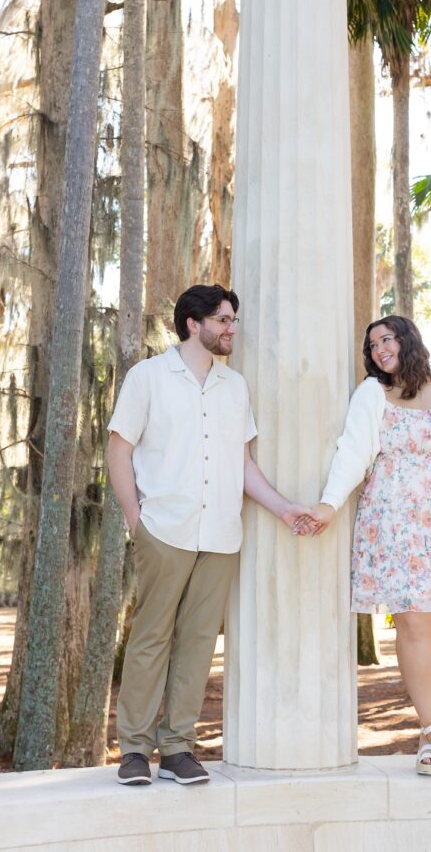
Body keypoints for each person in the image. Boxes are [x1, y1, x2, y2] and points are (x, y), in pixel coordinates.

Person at [107, 283, 313, 786]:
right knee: (151, 638)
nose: (231, 330)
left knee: (198, 643)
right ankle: (134, 749)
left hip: (220, 534)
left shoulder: (234, 387)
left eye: (233, 321)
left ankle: (177, 748)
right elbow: (119, 451)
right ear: (192, 324)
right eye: (223, 320)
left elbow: (243, 465)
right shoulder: (148, 378)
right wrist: (137, 521)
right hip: (164, 529)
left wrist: (284, 509)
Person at [307, 316, 431, 779]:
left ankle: (429, 741)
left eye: (386, 339)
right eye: (372, 346)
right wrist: (330, 504)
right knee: (414, 622)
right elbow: (353, 451)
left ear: (407, 340)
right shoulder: (373, 394)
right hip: (395, 521)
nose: (379, 350)